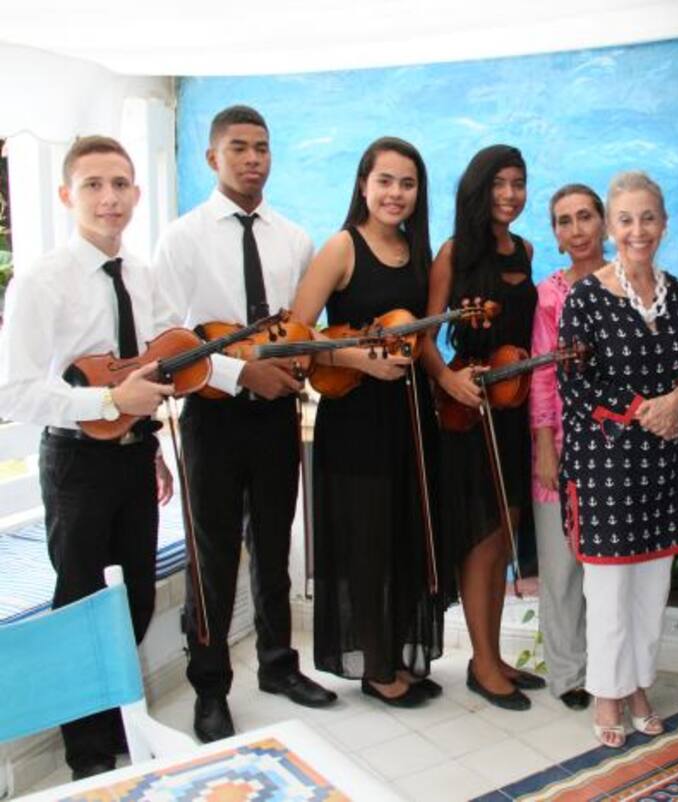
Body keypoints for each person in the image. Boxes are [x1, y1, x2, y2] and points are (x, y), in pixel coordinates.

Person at [153, 105, 335, 743]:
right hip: (212, 415)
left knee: (274, 548)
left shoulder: (294, 239)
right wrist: (239, 374)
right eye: (238, 148)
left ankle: (278, 665)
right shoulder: (180, 239)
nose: (252, 158)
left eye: (262, 147)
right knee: (214, 555)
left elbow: (301, 329)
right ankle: (209, 688)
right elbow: (167, 343)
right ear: (212, 157)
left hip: (279, 414)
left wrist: (300, 362)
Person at [0, 136, 174, 778]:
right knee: (80, 604)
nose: (109, 198)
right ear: (68, 195)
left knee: (136, 601)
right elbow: (14, 389)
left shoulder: (141, 272)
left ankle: (118, 724)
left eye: (120, 184)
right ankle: (89, 758)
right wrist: (107, 401)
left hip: (133, 455)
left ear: (136, 193)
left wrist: (143, 432)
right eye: (95, 185)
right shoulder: (41, 280)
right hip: (75, 464)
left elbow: (143, 370)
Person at [290, 137, 444, 708]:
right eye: (385, 181)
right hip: (355, 418)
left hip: (409, 418)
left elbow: (421, 338)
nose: (395, 193)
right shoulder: (341, 248)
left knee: (403, 538)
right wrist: (360, 359)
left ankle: (399, 654)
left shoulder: (416, 251)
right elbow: (295, 339)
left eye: (407, 183)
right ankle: (377, 668)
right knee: (368, 547)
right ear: (363, 185)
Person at [558, 170, 678, 748]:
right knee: (609, 594)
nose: (637, 229)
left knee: (651, 588)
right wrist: (645, 408)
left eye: (648, 218)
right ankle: (606, 693)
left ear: (664, 224)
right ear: (610, 227)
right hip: (607, 470)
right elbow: (577, 384)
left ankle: (640, 684)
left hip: (665, 467)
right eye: (626, 219)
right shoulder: (586, 297)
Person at [425, 144, 543, 710]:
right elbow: (424, 337)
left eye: (518, 183)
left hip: (516, 406)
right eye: (499, 183)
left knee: (506, 534)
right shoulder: (454, 253)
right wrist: (451, 384)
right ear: (479, 188)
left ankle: (491, 657)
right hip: (470, 413)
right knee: (482, 539)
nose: (510, 194)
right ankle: (482, 661)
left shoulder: (527, 248)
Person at [529, 183, 607, 711]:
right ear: (556, 235)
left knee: (608, 572)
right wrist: (544, 447)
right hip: (557, 447)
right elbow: (541, 377)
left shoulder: (626, 286)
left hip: (615, 451)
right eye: (564, 221)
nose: (576, 229)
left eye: (585, 217)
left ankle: (612, 671)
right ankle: (568, 675)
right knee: (560, 571)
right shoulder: (549, 296)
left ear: (603, 222)